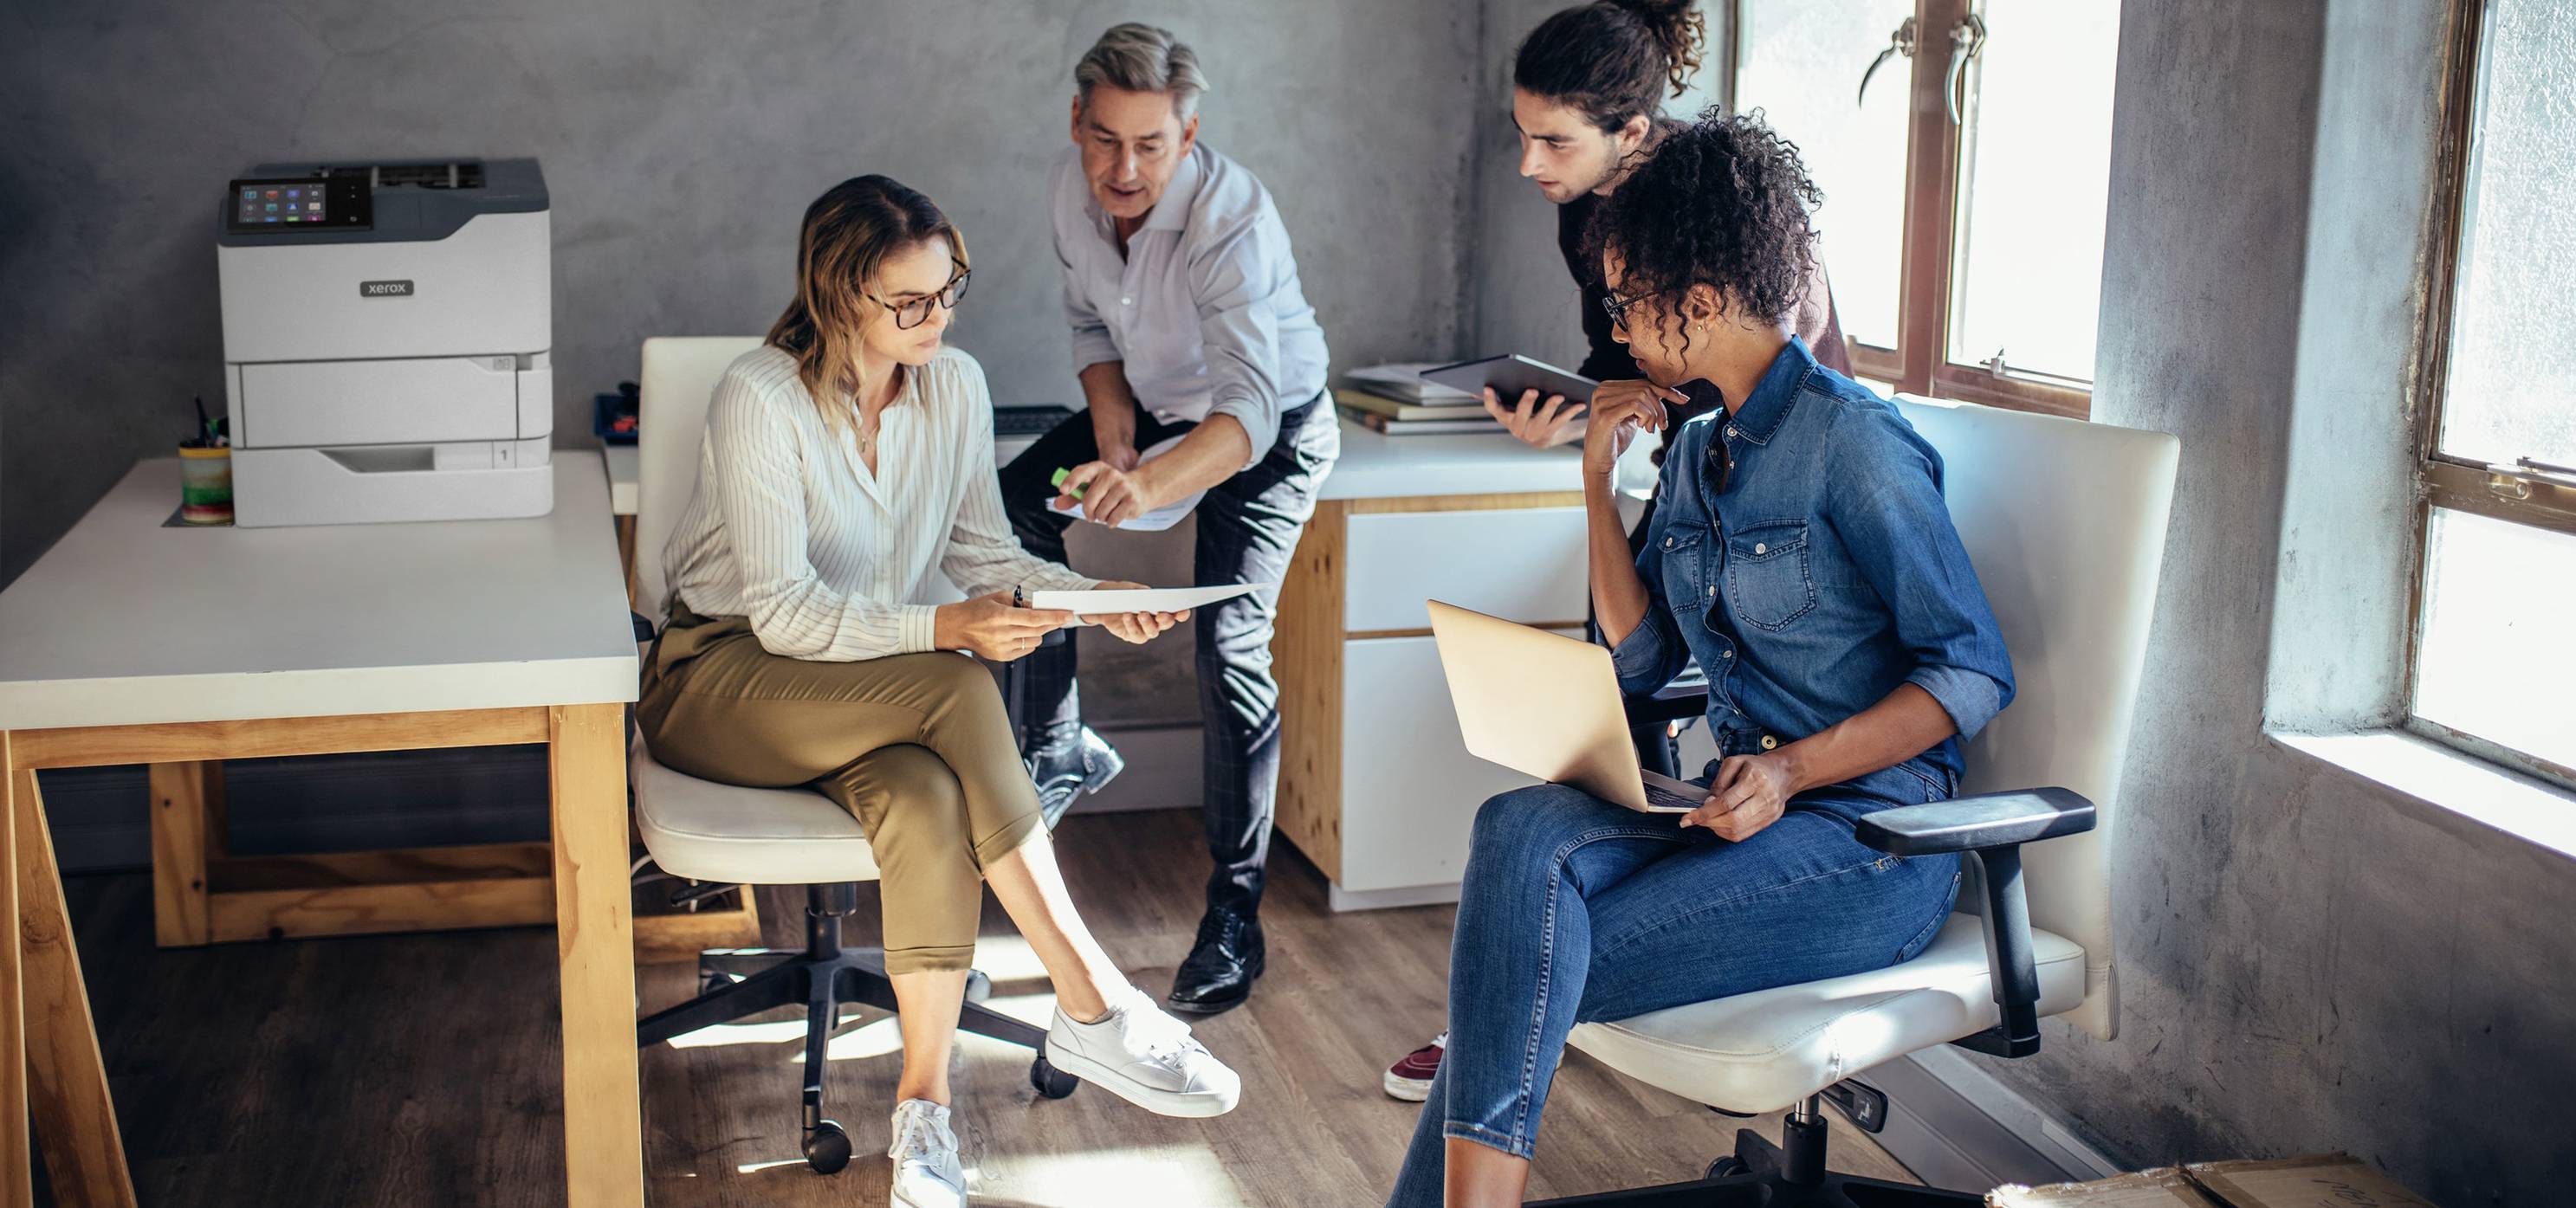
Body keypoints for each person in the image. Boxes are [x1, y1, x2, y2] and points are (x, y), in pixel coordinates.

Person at [1384, 113, 2015, 1208]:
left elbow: (1969, 673)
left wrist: (1790, 770)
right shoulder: (1692, 447)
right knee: (1516, 829)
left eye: (1629, 299)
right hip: (1727, 804)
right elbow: (1637, 663)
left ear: (1706, 298)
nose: (1617, 324)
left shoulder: (1852, 445)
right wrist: (1593, 478)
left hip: (1872, 840)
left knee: (1523, 965)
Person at [638, 174, 1239, 1208]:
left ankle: (924, 1119)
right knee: (958, 688)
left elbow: (980, 552)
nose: (936, 318)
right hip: (722, 674)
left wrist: (1094, 598)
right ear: (838, 296)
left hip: (861, 683)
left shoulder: (954, 384)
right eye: (906, 303)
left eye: (946, 291)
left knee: (925, 795)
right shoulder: (760, 395)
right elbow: (782, 612)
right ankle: (1091, 996)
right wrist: (948, 629)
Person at [1385, 0, 1857, 1105]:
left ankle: (1543, 993)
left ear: (1634, 131)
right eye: (1522, 133)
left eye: (1553, 141)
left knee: (1638, 687)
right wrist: (1576, 415)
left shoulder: (1720, 207)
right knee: (1603, 698)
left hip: (1773, 473)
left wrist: (1624, 411)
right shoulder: (1584, 212)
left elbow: (1746, 359)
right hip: (1686, 462)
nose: (1526, 163)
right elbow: (1624, 364)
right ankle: (1533, 986)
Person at [999, 23, 1339, 1017]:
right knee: (1013, 506)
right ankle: (1055, 737)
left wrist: (1146, 488)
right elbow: (1092, 325)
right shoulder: (1077, 190)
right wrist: (1113, 431)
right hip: (1158, 405)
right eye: (1105, 139)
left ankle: (1234, 919)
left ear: (1188, 138)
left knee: (1229, 646)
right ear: (1077, 122)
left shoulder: (1233, 221)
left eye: (1151, 145)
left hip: (1265, 433)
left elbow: (1248, 413)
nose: (1125, 167)